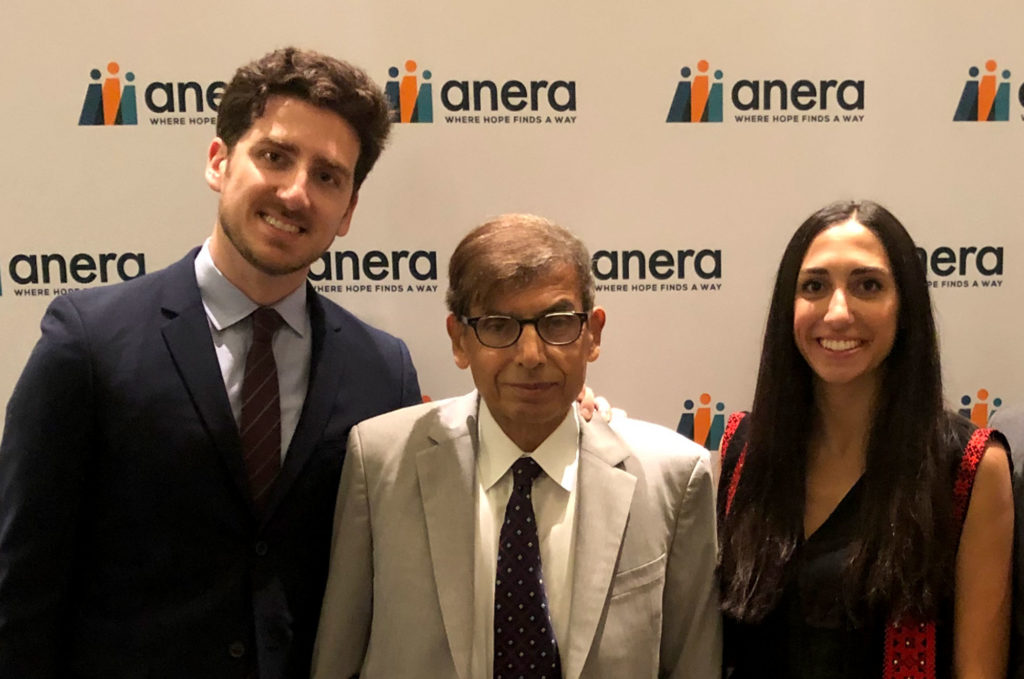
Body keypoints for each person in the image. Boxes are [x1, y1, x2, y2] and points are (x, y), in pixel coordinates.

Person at [0, 48, 421, 678]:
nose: (296, 192)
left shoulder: (382, 371)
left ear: (348, 213)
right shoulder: (88, 342)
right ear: (219, 162)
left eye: (328, 176)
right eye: (274, 156)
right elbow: (22, 585)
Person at [311, 214, 722, 678]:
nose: (530, 355)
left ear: (593, 334)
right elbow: (338, 655)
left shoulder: (672, 476)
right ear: (459, 339)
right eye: (499, 325)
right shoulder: (380, 458)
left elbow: (694, 663)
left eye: (558, 322)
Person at [717, 200, 1014, 678]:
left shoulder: (970, 466)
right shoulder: (743, 450)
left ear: (905, 306)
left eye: (867, 286)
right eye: (814, 286)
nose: (837, 312)